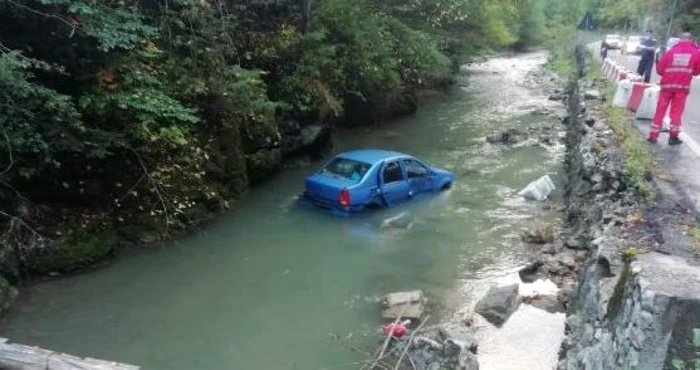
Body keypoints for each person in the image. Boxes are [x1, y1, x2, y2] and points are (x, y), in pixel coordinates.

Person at [648, 32, 700, 145]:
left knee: (660, 110)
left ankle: (653, 136)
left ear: (679, 40)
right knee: (676, 113)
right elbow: (696, 72)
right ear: (691, 40)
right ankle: (673, 137)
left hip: (666, 87)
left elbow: (659, 70)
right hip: (681, 89)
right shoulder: (696, 53)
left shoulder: (670, 51)